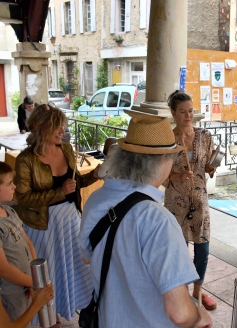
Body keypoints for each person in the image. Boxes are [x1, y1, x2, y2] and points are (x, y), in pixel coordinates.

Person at [79, 110, 212, 328]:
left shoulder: (97, 199)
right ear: (163, 160)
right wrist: (199, 317)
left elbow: (87, 256)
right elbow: (180, 313)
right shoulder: (159, 221)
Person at [13, 104, 100, 321]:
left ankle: (70, 310)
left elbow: (75, 183)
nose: (63, 131)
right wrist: (59, 192)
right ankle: (50, 319)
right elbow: (23, 198)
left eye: (63, 126)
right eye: (58, 127)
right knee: (48, 274)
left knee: (72, 271)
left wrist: (96, 175)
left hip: (69, 221)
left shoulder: (66, 150)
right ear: (42, 128)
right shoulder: (26, 160)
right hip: (43, 227)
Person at [163, 91, 217, 310]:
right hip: (175, 200)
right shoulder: (166, 139)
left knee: (202, 249)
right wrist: (176, 176)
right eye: (183, 111)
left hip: (200, 199)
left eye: (191, 111)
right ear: (173, 113)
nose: (188, 115)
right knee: (179, 248)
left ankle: (198, 290)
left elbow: (209, 164)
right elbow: (159, 175)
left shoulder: (204, 135)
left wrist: (212, 167)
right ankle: (182, 291)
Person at [0, 162, 36, 322]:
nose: (14, 187)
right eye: (9, 184)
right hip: (10, 292)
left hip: (26, 284)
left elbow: (28, 243)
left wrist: (34, 276)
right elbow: (4, 269)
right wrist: (33, 282)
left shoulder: (9, 211)